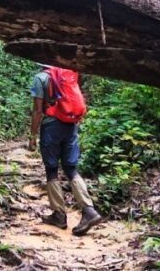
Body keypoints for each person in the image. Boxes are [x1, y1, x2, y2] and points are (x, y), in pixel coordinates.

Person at [28, 64, 103, 236]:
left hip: (51, 127)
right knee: (71, 168)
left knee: (52, 169)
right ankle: (89, 210)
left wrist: (32, 136)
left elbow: (38, 111)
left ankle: (59, 215)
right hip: (70, 126)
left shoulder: (40, 78)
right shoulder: (68, 72)